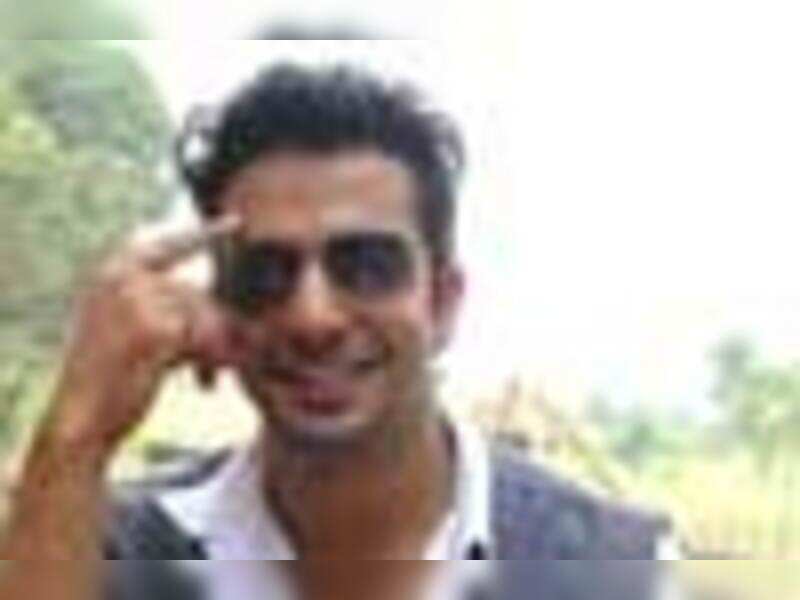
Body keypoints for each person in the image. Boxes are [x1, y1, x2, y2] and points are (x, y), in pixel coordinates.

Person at [0, 63, 675, 600]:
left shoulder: (612, 572)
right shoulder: (110, 554)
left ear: (443, 303)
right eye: (266, 273)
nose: (313, 316)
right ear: (218, 307)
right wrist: (75, 435)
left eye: (368, 267)